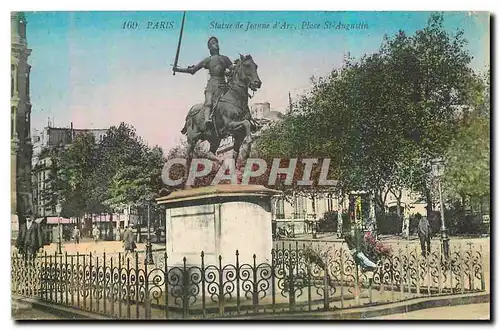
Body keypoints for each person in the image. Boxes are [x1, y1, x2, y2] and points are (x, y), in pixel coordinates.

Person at [173, 36, 234, 130]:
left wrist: (233, 71)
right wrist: (178, 69)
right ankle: (207, 120)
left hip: (224, 87)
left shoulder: (225, 58)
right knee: (208, 103)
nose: (216, 44)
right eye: (213, 43)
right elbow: (193, 70)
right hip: (212, 87)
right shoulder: (207, 60)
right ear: (210, 48)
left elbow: (233, 70)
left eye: (216, 42)